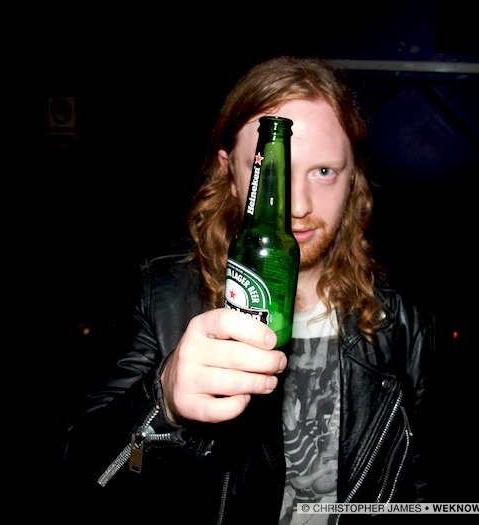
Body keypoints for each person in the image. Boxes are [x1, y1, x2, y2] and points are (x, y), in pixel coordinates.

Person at [61, 55, 434, 524]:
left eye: (323, 171)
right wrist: (163, 401)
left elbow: (420, 476)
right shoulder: (163, 298)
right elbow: (82, 473)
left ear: (352, 176)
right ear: (233, 176)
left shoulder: (399, 318)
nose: (297, 205)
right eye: (271, 171)